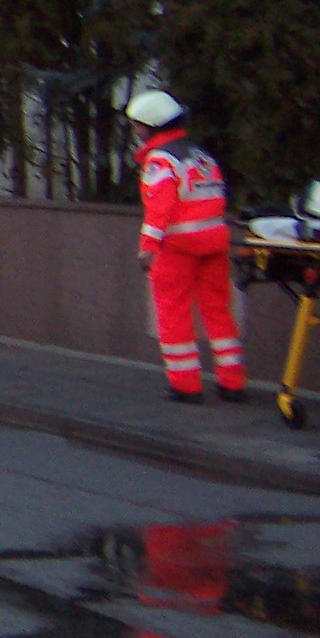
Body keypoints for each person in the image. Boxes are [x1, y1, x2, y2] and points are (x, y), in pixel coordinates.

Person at [128, 90, 247, 405]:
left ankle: (186, 385)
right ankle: (233, 382)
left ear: (151, 126)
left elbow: (160, 207)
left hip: (178, 247)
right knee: (219, 311)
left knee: (173, 313)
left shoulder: (160, 161)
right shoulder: (201, 156)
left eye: (137, 125)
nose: (135, 131)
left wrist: (148, 247)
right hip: (215, 242)